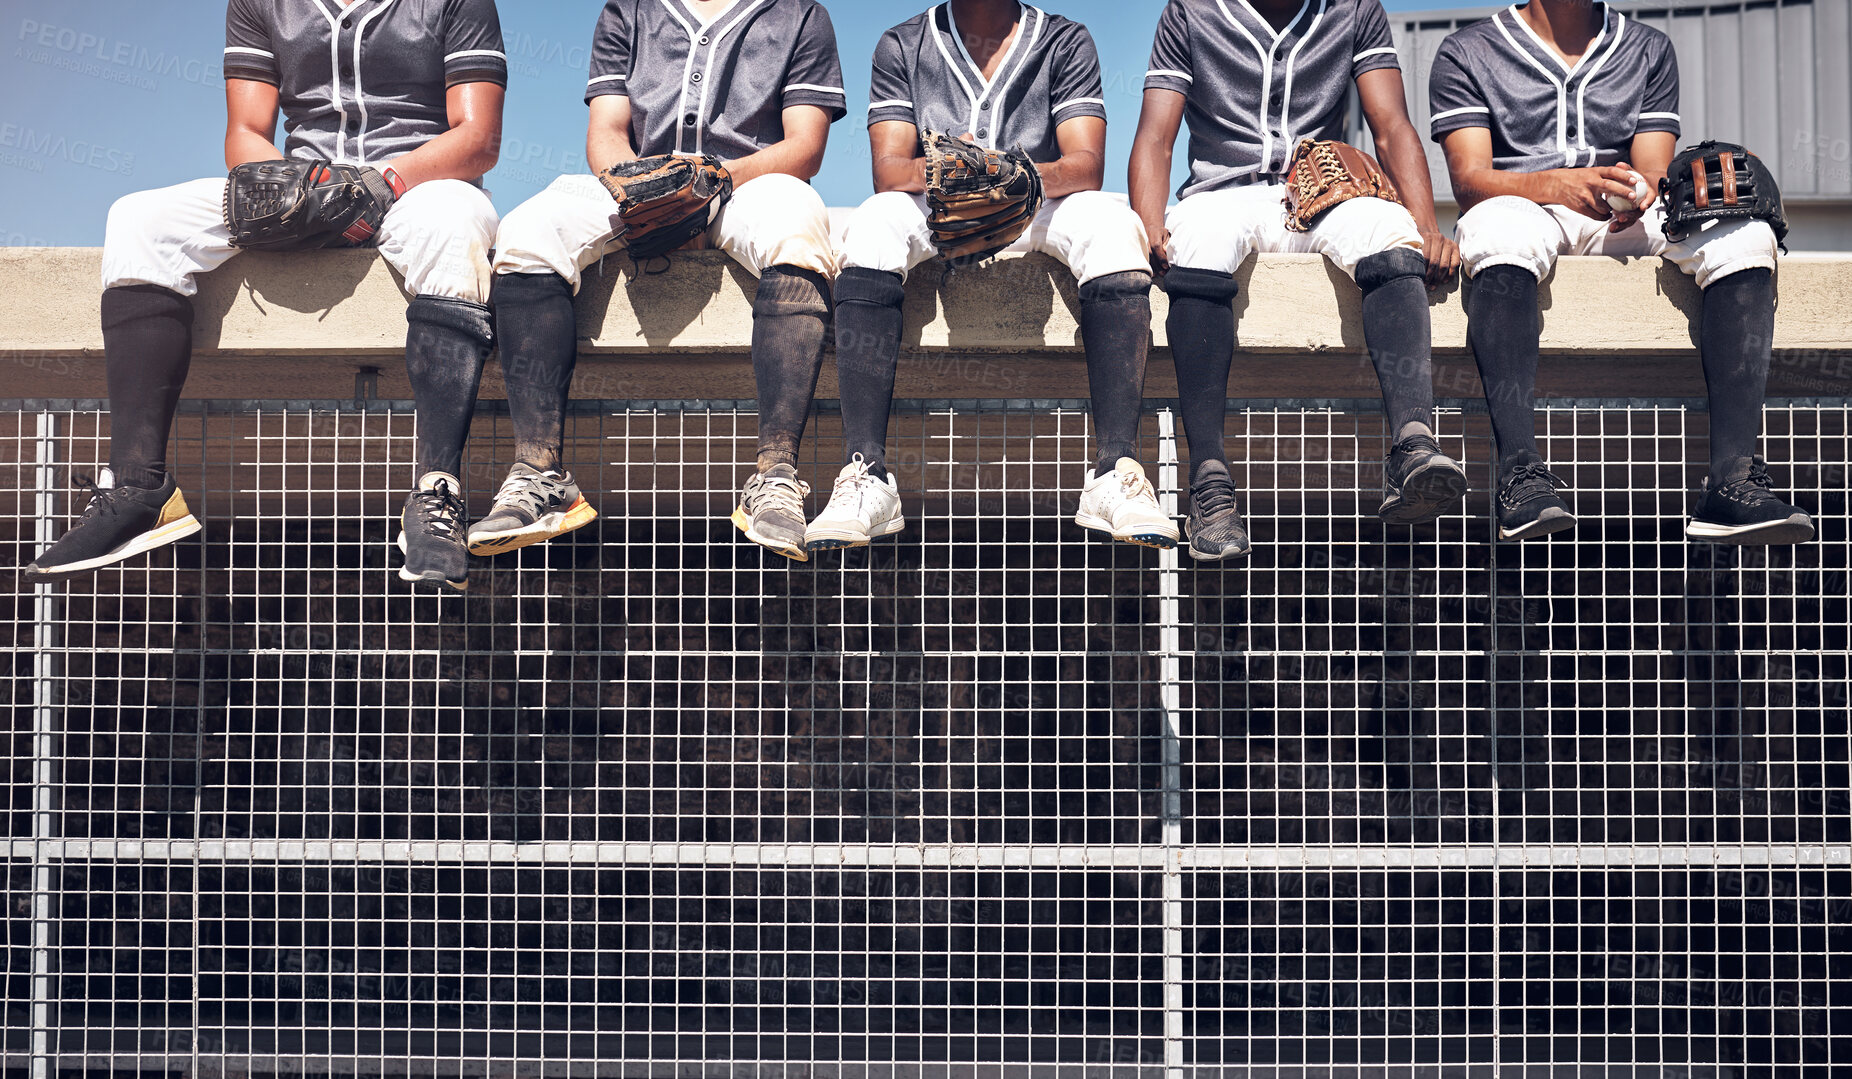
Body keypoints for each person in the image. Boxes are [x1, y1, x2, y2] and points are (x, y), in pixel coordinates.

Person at [25, 0, 507, 589]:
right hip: (302, 187)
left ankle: (436, 498)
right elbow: (247, 133)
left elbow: (478, 138)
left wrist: (379, 186)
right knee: (138, 218)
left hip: (418, 185)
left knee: (455, 227)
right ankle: (138, 487)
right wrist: (293, 195)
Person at [1431, 0, 1813, 543]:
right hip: (1522, 205)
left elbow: (1655, 167)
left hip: (1615, 216)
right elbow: (1470, 181)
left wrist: (1640, 192)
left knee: (1742, 231)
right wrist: (1558, 183)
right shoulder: (1467, 50)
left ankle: (1729, 482)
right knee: (1494, 229)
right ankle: (1519, 473)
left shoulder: (1648, 47)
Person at [485, 0, 846, 563]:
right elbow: (606, 131)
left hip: (747, 183)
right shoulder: (627, 10)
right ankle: (541, 475)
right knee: (527, 229)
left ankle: (776, 477)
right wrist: (644, 189)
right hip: (640, 185)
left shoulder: (799, 14)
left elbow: (804, 148)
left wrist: (707, 182)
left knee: (799, 222)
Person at [817, 0, 1175, 554]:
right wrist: (965, 177)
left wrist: (1012, 178)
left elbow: (1085, 164)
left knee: (1113, 222)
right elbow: (890, 172)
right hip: (946, 208)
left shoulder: (1064, 39)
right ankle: (865, 475)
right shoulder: (902, 42)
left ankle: (1116, 470)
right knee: (871, 225)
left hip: (1033, 205)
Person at [1129, 0, 1463, 561]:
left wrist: (1426, 227)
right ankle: (1209, 484)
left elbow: (1391, 125)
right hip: (1220, 193)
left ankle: (1412, 443)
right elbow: (1156, 135)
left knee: (1388, 228)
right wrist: (1148, 226)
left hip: (1318, 192)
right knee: (1198, 242)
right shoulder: (1191, 10)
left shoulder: (1355, 8)